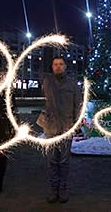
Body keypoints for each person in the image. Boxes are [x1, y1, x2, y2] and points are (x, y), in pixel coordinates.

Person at [36, 56, 82, 204]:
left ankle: (62, 188)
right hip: (50, 127)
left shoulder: (73, 84)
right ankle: (53, 188)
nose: (58, 66)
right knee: (51, 161)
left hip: (66, 127)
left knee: (63, 161)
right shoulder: (47, 81)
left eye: (61, 64)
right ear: (51, 67)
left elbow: (78, 105)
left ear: (65, 66)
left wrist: (76, 124)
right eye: (55, 64)